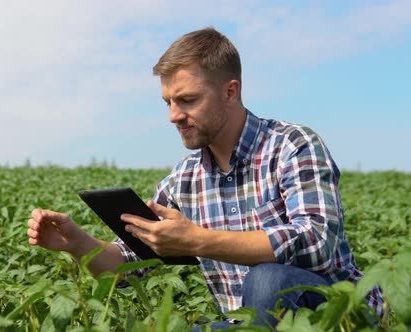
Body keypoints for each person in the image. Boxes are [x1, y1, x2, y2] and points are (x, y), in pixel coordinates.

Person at [26, 27, 384, 329]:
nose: (173, 115)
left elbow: (316, 241)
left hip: (341, 316)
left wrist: (197, 241)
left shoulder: (291, 146)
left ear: (230, 92)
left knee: (268, 279)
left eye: (187, 100)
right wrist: (76, 242)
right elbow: (130, 265)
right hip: (246, 323)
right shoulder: (184, 181)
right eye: (167, 101)